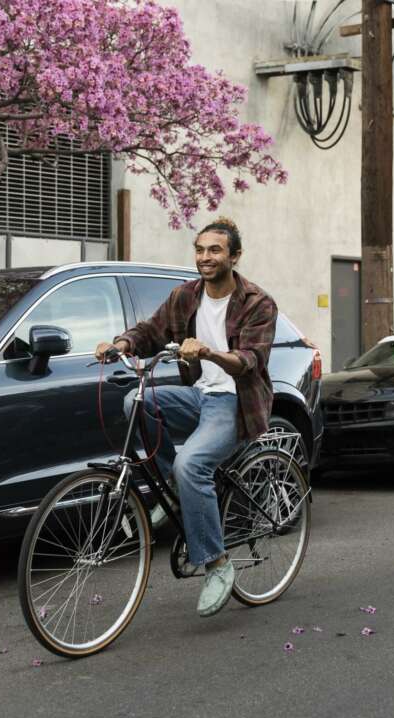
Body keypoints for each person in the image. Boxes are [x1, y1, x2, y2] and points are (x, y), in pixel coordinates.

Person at [95, 217, 277, 617]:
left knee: (191, 463)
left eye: (214, 250)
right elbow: (151, 330)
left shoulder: (257, 303)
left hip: (236, 402)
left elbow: (250, 360)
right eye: (199, 249)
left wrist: (211, 353)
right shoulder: (185, 296)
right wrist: (122, 343)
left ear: (234, 256)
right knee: (135, 404)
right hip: (201, 395)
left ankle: (217, 564)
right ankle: (175, 490)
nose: (205, 257)